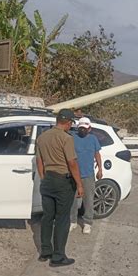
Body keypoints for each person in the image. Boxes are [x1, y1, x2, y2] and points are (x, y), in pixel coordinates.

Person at [35, 109, 84, 267]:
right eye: (71, 123)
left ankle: (45, 252)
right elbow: (72, 163)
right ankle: (58, 257)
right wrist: (79, 184)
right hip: (63, 181)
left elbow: (39, 161)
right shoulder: (66, 138)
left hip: (48, 179)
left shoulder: (42, 137)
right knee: (62, 219)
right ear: (68, 122)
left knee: (47, 217)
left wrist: (43, 177)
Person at [69, 117, 103, 234]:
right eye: (81, 128)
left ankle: (87, 222)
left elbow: (97, 154)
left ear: (89, 129)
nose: (82, 130)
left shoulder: (93, 139)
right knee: (72, 199)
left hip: (88, 175)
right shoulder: (72, 137)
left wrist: (100, 169)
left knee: (88, 200)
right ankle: (72, 221)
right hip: (73, 174)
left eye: (85, 128)